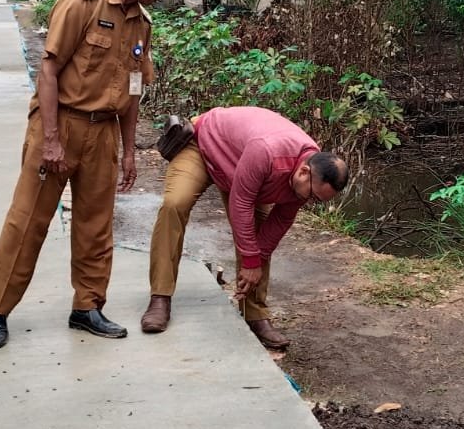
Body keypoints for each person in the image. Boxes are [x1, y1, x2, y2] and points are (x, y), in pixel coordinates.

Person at [0, 0, 190, 349]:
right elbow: (49, 72)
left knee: (96, 227)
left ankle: (87, 307)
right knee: (28, 221)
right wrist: (52, 140)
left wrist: (130, 151)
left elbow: (132, 91)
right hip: (60, 125)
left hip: (104, 133)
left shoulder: (141, 23)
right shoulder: (81, 3)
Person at [140, 106, 350, 350]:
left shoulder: (308, 175)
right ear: (303, 172)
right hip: (203, 145)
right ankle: (160, 298)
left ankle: (255, 314)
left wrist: (256, 261)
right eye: (312, 196)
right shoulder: (269, 152)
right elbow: (241, 203)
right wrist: (250, 262)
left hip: (241, 165)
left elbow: (279, 222)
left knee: (259, 235)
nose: (310, 202)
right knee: (174, 205)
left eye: (318, 200)